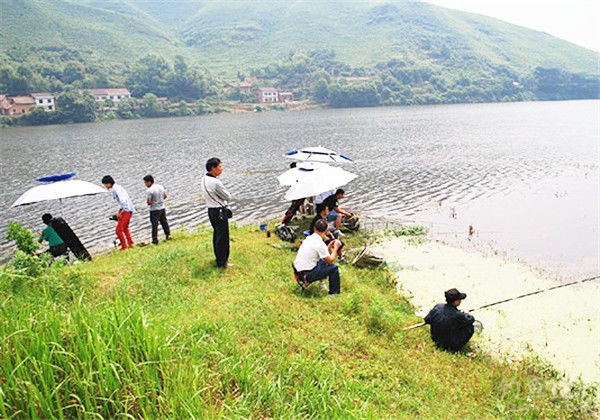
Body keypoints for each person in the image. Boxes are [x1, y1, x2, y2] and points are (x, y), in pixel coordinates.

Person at [293, 219, 341, 296]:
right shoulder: (320, 243)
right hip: (306, 275)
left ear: (314, 228)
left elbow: (317, 253)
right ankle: (333, 294)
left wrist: (327, 247)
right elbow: (330, 261)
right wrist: (336, 248)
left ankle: (321, 284)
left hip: (298, 271)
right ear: (326, 230)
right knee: (334, 268)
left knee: (322, 261)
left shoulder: (308, 238)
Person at [201, 157, 232, 268]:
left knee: (217, 236)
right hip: (219, 211)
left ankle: (220, 258)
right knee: (223, 237)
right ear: (213, 168)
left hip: (211, 210)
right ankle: (223, 262)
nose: (221, 169)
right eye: (219, 166)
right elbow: (228, 196)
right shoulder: (215, 182)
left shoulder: (204, 179)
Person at [424, 288, 475, 352]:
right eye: (459, 299)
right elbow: (471, 319)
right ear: (456, 302)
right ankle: (455, 348)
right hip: (450, 344)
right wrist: (466, 313)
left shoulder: (438, 306)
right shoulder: (458, 315)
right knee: (470, 327)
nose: (460, 301)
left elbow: (427, 319)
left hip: (435, 339)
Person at [102, 175, 135, 250]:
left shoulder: (116, 189)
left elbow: (123, 201)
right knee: (125, 228)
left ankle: (124, 246)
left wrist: (120, 212)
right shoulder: (118, 187)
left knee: (118, 230)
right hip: (129, 209)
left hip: (126, 210)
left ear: (109, 183)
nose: (105, 186)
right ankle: (130, 243)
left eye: (105, 184)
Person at [143, 175, 170, 245]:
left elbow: (149, 202)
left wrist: (152, 202)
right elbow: (165, 196)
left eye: (145, 183)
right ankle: (168, 235)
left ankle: (155, 240)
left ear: (149, 182)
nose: (145, 184)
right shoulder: (160, 187)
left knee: (154, 225)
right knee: (164, 222)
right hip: (162, 207)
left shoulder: (149, 190)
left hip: (154, 209)